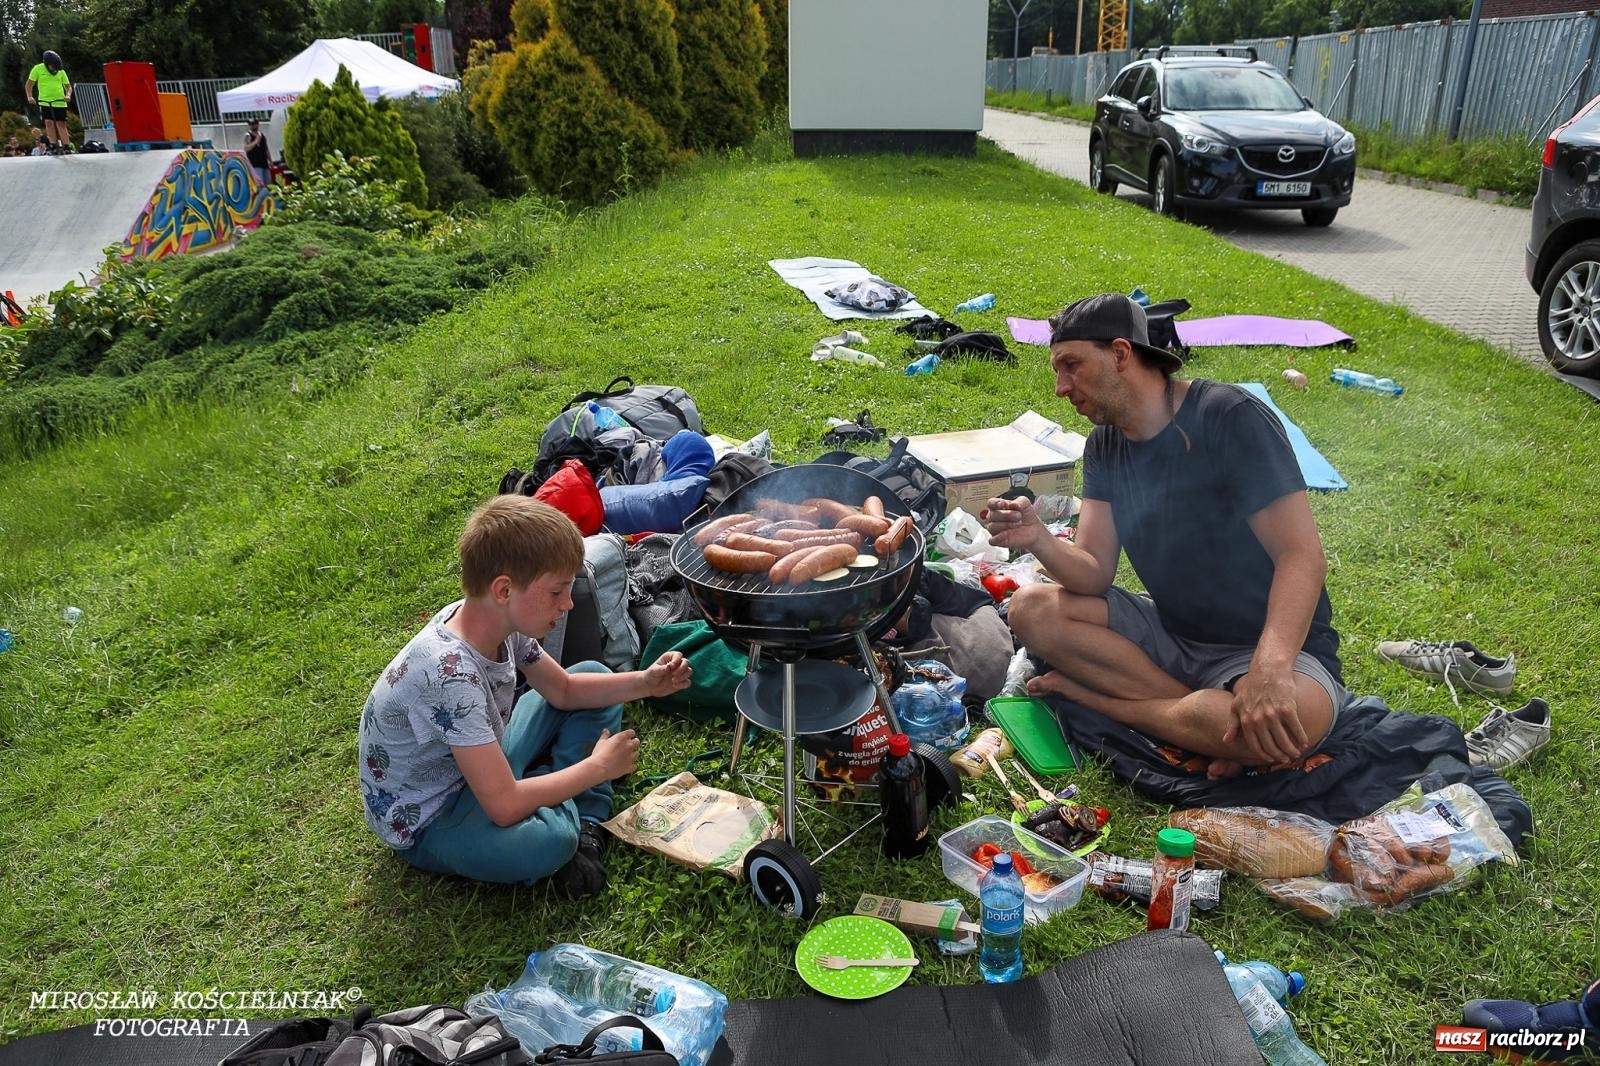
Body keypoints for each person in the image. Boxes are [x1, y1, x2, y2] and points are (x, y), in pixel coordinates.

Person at [984, 293, 1348, 780]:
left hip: (1272, 646)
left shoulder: (1229, 416)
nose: (1060, 387)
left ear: (1120, 354)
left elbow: (1301, 557)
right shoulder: (1106, 444)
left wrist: (1269, 671)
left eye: (1071, 365)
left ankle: (1111, 702)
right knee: (1030, 609)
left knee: (1294, 722)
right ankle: (1204, 718)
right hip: (1174, 635)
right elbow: (1092, 573)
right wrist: (1039, 539)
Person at [358, 494, 693, 897]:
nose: (568, 604)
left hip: (483, 761)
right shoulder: (449, 677)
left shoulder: (495, 621)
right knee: (548, 844)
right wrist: (598, 769)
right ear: (504, 590)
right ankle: (570, 804)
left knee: (592, 676)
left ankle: (576, 812)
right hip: (434, 817)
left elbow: (564, 689)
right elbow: (503, 806)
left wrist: (645, 683)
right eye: (556, 592)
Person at [25, 50, 73, 153]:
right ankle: (53, 145)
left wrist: (68, 95)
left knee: (61, 124)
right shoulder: (37, 69)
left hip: (59, 101)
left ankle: (66, 145)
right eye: (53, 67)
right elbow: (29, 84)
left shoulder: (61, 71)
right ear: (47, 64)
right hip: (45, 101)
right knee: (49, 123)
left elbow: (68, 87)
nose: (55, 69)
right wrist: (30, 96)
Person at [243, 118, 271, 185]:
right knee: (260, 183)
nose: (252, 126)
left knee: (268, 183)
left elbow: (266, 148)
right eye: (250, 124)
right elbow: (246, 148)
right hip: (255, 164)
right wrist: (255, 142)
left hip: (264, 163)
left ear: (257, 124)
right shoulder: (248, 135)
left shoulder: (262, 135)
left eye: (253, 124)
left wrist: (270, 160)